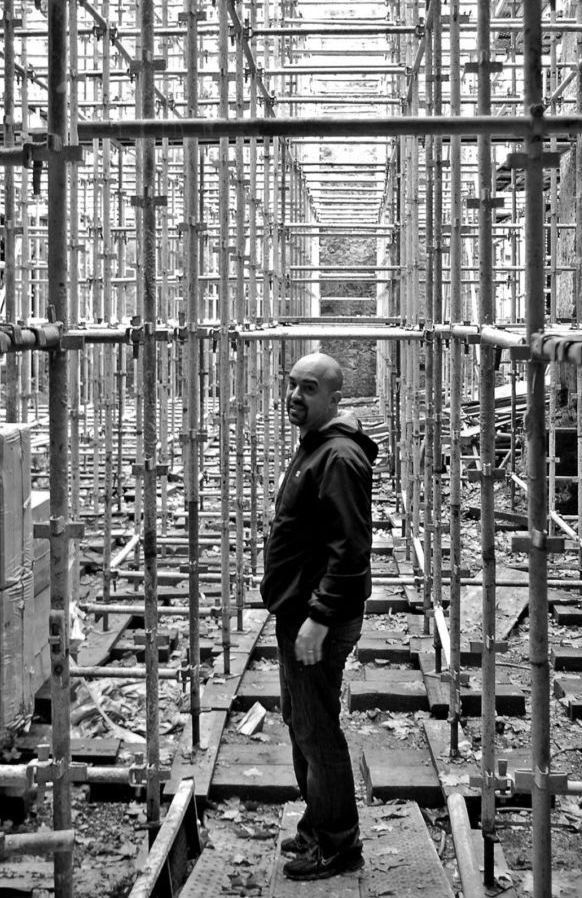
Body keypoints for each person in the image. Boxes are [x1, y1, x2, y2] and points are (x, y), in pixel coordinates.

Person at [260, 352, 378, 882]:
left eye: (308, 388)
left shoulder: (337, 459)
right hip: (302, 613)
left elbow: (350, 551)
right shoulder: (317, 447)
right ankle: (318, 826)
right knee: (302, 721)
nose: (295, 396)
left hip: (315, 620)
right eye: (292, 385)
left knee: (316, 729)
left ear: (334, 399)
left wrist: (318, 618)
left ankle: (337, 845)